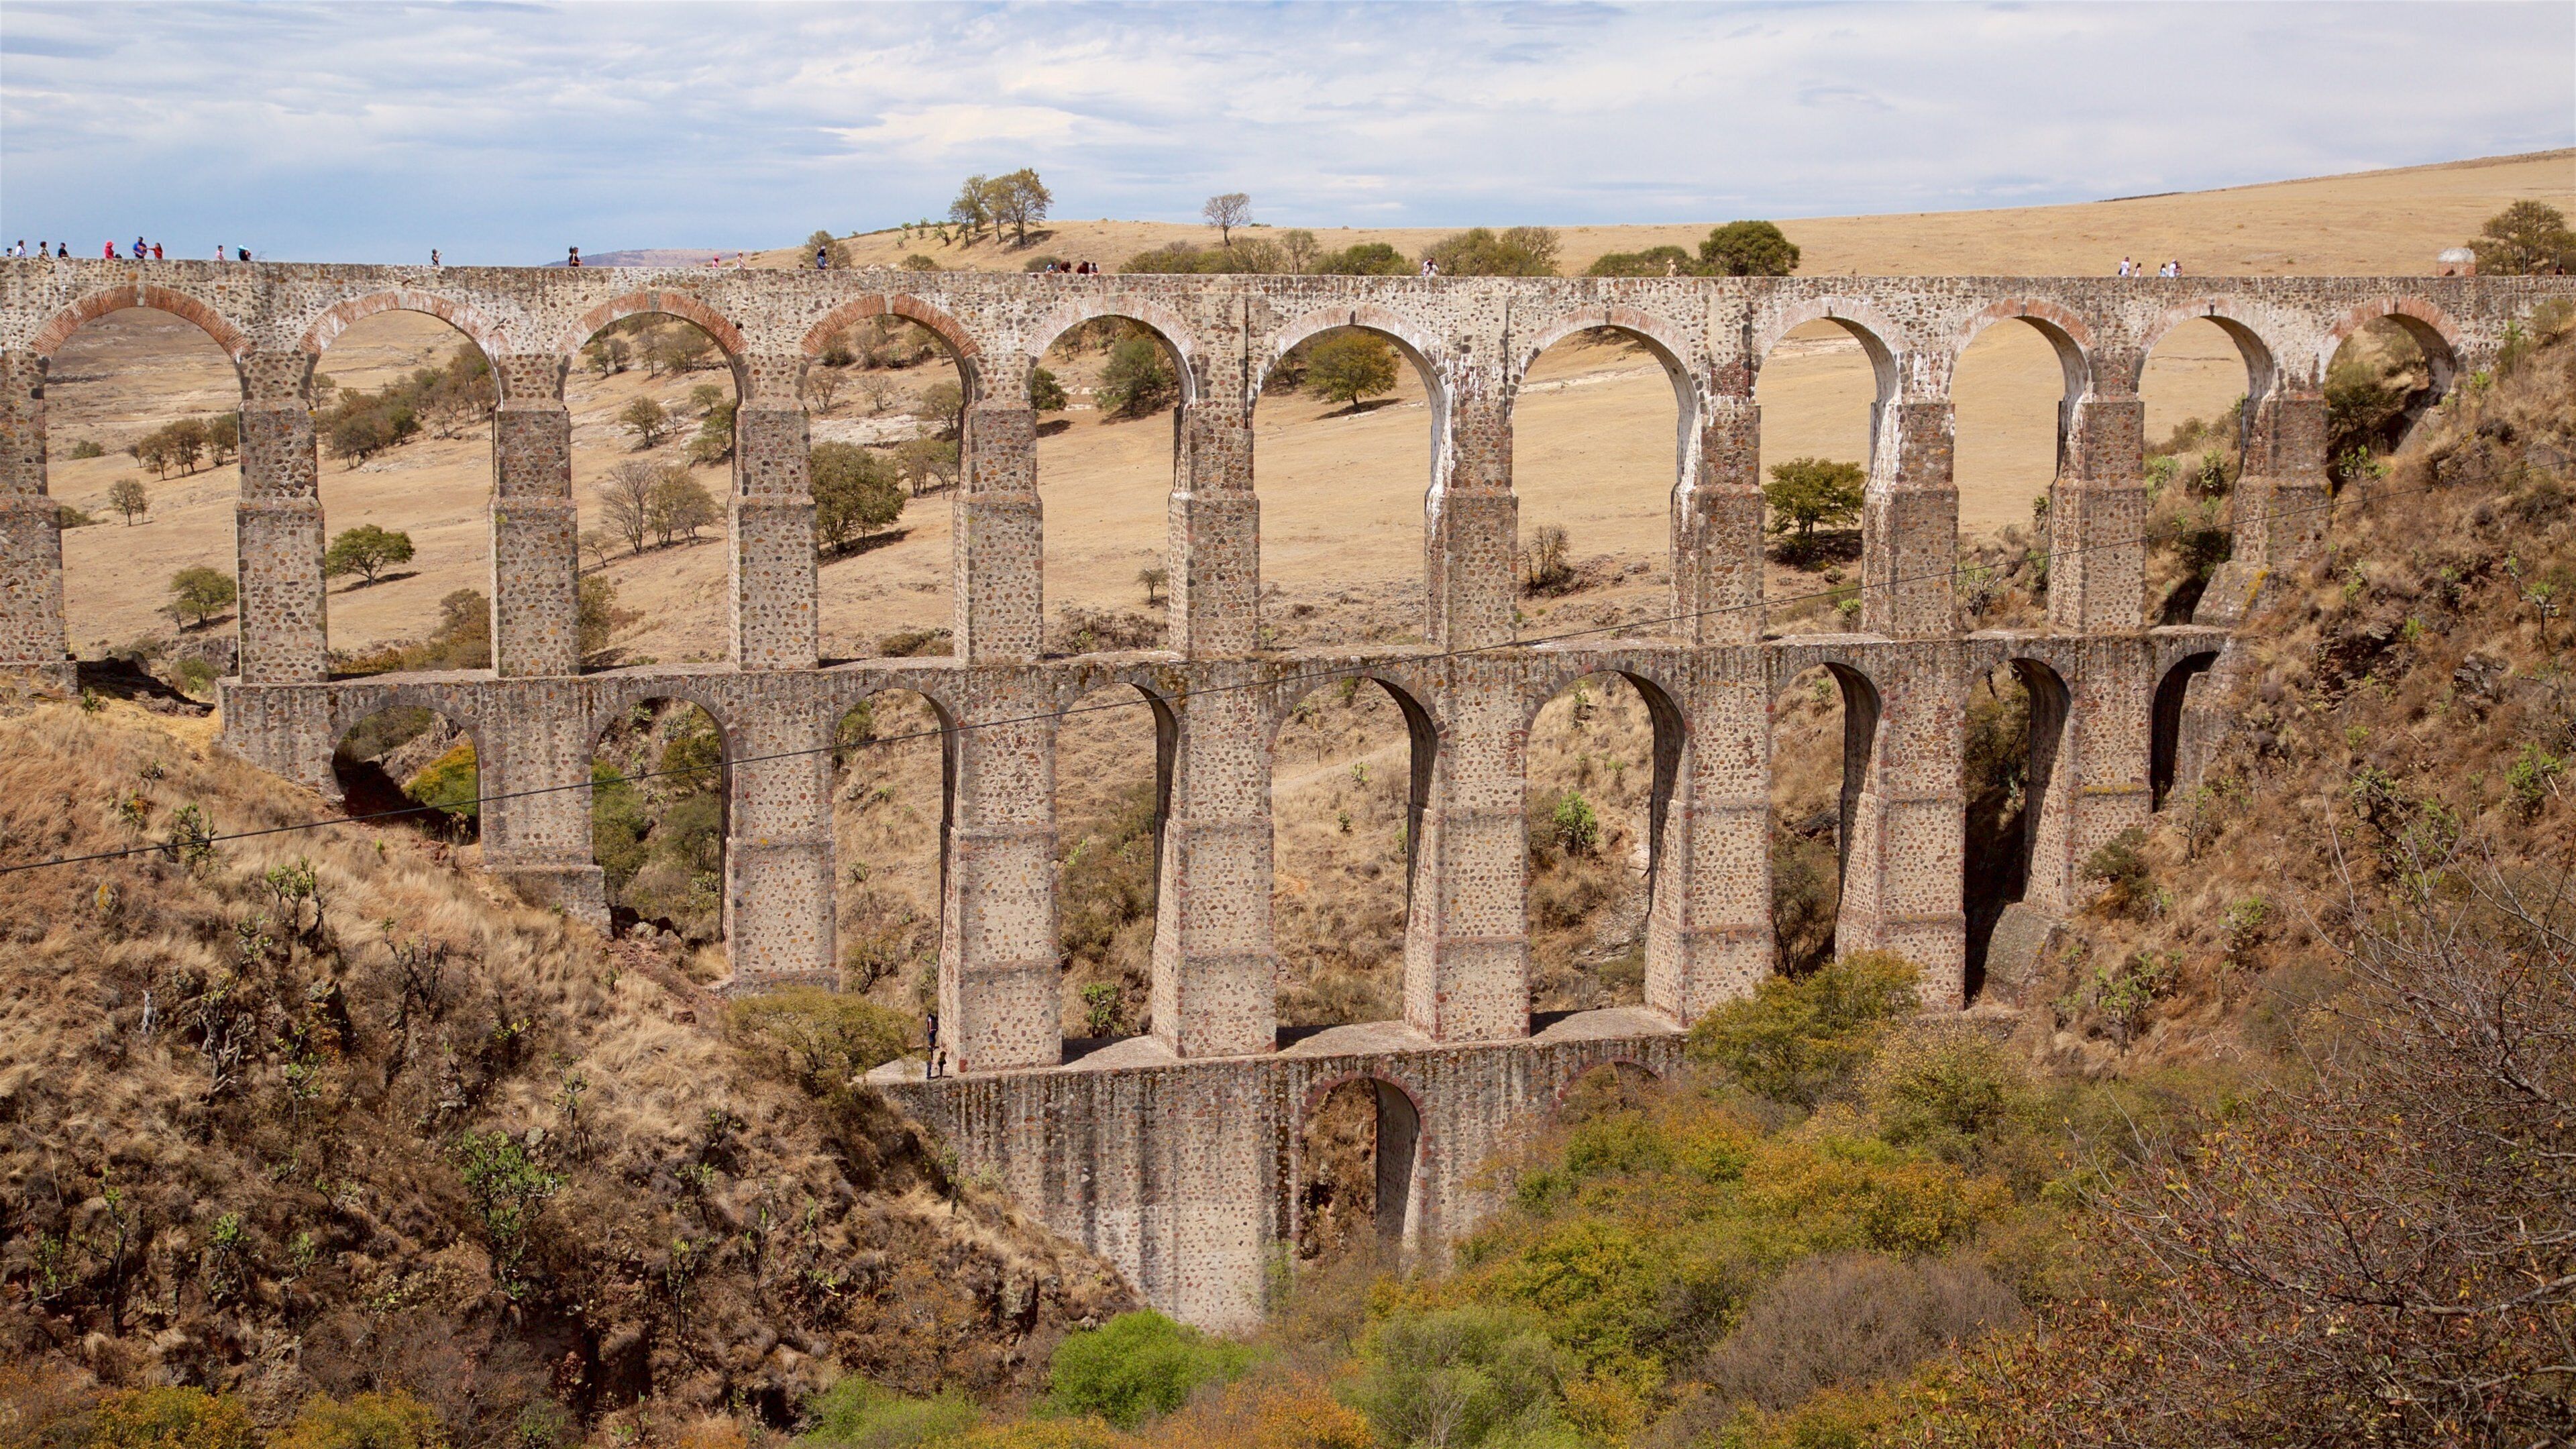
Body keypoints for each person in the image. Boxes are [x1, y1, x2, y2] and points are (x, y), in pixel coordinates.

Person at [923, 1009, 941, 1079]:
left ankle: (928, 1076)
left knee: (930, 1037)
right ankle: (933, 1044)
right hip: (936, 1029)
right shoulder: (934, 1017)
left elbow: (930, 1023)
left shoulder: (930, 1017)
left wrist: (930, 1029)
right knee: (933, 1038)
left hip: (932, 1029)